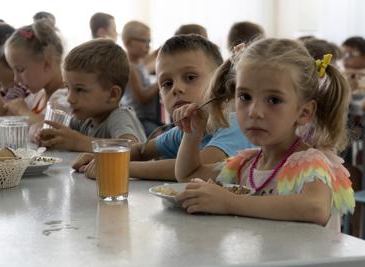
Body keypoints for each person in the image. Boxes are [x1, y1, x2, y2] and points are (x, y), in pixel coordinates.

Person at [174, 38, 355, 230]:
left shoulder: (310, 162)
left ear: (304, 112)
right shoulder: (247, 164)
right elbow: (188, 174)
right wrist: (193, 132)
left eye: (274, 100)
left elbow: (315, 208)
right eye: (245, 97)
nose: (254, 112)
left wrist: (230, 203)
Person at [73, 35, 253, 180]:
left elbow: (198, 169)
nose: (177, 88)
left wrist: (118, 166)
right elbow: (140, 151)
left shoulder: (234, 123)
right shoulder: (183, 131)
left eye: (190, 77)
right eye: (167, 83)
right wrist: (105, 156)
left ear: (219, 81)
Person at [37, 39, 146, 151]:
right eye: (67, 87)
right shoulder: (85, 119)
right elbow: (61, 132)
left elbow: (131, 149)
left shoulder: (119, 117)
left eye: (79, 90)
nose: (69, 98)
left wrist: (77, 142)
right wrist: (41, 133)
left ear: (112, 95)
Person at [0, 19, 69, 140]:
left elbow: (52, 131)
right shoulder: (37, 96)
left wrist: (22, 111)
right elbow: (3, 117)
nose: (16, 79)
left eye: (20, 70)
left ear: (47, 63)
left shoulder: (64, 98)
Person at [121, 21, 161, 136]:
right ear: (128, 43)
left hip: (149, 117)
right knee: (159, 136)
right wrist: (160, 81)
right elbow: (142, 98)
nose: (148, 45)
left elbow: (152, 56)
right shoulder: (130, 67)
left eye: (149, 41)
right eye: (144, 41)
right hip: (139, 119)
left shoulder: (139, 61)